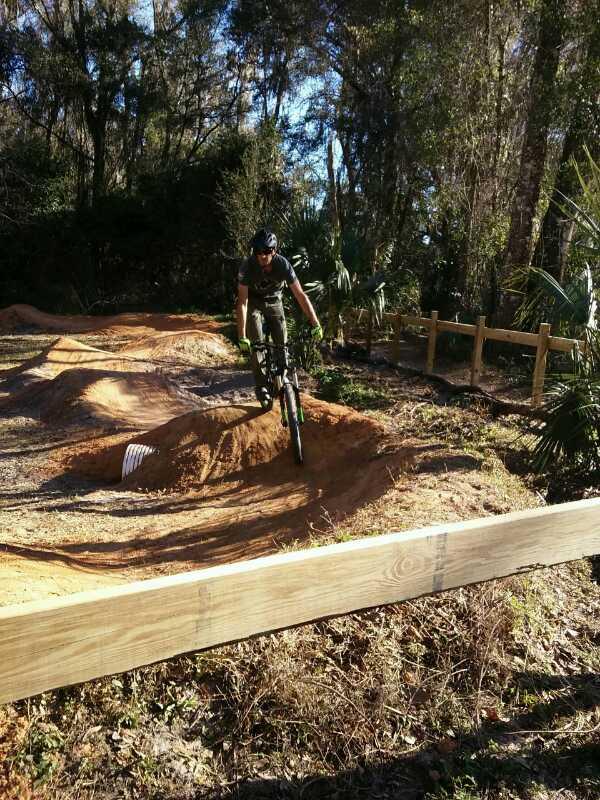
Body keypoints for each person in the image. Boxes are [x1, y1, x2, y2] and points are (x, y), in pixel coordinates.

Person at [237, 228, 323, 408]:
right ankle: (261, 387)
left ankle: (282, 377)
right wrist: (242, 335)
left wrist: (315, 323)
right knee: (257, 342)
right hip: (253, 302)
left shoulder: (283, 265)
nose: (262, 255)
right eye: (258, 251)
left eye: (267, 251)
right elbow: (243, 302)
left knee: (282, 342)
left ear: (274, 250)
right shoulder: (247, 266)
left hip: (275, 300)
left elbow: (300, 295)